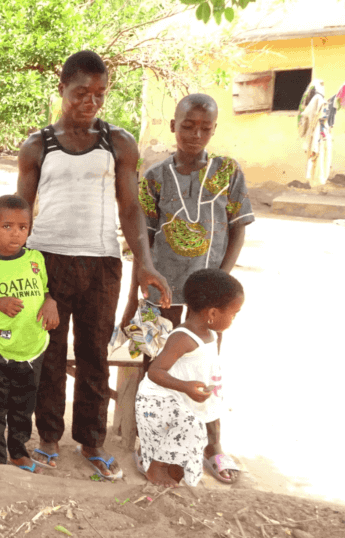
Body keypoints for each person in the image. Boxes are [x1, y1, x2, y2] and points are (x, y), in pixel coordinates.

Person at [16, 50, 171, 480]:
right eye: (81, 92)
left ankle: (92, 441)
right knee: (47, 353)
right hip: (47, 261)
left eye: (99, 94)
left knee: (94, 354)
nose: (91, 102)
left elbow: (130, 208)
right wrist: (23, 269)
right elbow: (22, 214)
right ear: (62, 88)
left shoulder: (117, 142)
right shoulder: (38, 145)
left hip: (101, 263)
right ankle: (47, 437)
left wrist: (145, 264)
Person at [122, 93, 254, 484]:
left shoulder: (227, 171)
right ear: (173, 126)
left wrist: (221, 285)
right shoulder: (156, 176)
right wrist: (133, 299)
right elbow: (142, 242)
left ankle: (212, 446)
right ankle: (154, 444)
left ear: (214, 129)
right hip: (161, 289)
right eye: (189, 125)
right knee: (157, 366)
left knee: (206, 368)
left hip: (206, 299)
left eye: (205, 127)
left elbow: (237, 228)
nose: (196, 134)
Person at [0, 195, 59, 473]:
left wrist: (51, 301)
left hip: (32, 349)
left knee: (23, 407)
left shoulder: (35, 259)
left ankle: (18, 452)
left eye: (22, 227)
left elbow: (44, 291)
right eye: (7, 226)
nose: (15, 233)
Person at [136, 269, 243, 488]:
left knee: (185, 451)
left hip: (195, 402)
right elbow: (155, 371)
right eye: (234, 313)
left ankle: (171, 475)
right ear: (212, 313)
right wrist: (185, 387)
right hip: (176, 404)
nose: (234, 319)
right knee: (176, 437)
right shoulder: (184, 338)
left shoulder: (211, 334)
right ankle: (155, 469)